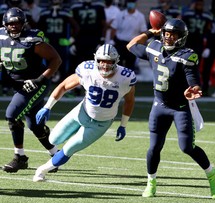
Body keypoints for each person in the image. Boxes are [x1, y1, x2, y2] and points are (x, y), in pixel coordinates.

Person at [127, 18, 215, 199]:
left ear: (181, 37)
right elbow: (131, 45)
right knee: (154, 148)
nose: (169, 38)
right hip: (159, 105)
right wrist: (149, 32)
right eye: (167, 34)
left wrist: (193, 90)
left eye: (173, 35)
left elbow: (195, 82)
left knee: (186, 147)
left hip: (180, 107)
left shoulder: (187, 55)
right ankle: (151, 183)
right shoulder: (154, 46)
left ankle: (212, 174)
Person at [32, 44, 136, 182]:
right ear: (96, 60)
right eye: (101, 61)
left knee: (69, 149)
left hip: (100, 123)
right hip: (81, 112)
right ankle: (60, 153)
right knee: (53, 140)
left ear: (116, 61)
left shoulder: (125, 77)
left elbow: (129, 101)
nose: (105, 65)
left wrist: (123, 125)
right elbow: (63, 86)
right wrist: (47, 107)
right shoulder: (87, 70)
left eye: (109, 61)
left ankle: (41, 171)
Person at [0, 7, 62, 172]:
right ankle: (56, 156)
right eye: (11, 23)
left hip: (36, 84)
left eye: (18, 22)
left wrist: (40, 79)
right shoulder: (1, 37)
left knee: (12, 115)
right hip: (18, 85)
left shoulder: (31, 39)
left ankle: (19, 157)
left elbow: (56, 59)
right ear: (5, 24)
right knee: (35, 125)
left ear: (23, 23)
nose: (14, 26)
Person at [37, 0, 80, 83]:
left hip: (61, 43)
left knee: (62, 63)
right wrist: (42, 38)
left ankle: (64, 83)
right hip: (48, 43)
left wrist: (71, 40)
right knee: (47, 64)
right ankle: (47, 84)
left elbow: (76, 27)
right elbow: (38, 27)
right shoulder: (44, 12)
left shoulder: (65, 12)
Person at [110, 0, 147, 72]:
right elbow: (113, 28)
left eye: (132, 2)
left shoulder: (140, 16)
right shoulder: (120, 14)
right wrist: (112, 40)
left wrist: (142, 43)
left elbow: (143, 32)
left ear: (135, 4)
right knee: (118, 66)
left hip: (132, 45)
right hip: (120, 44)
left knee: (130, 67)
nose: (130, 4)